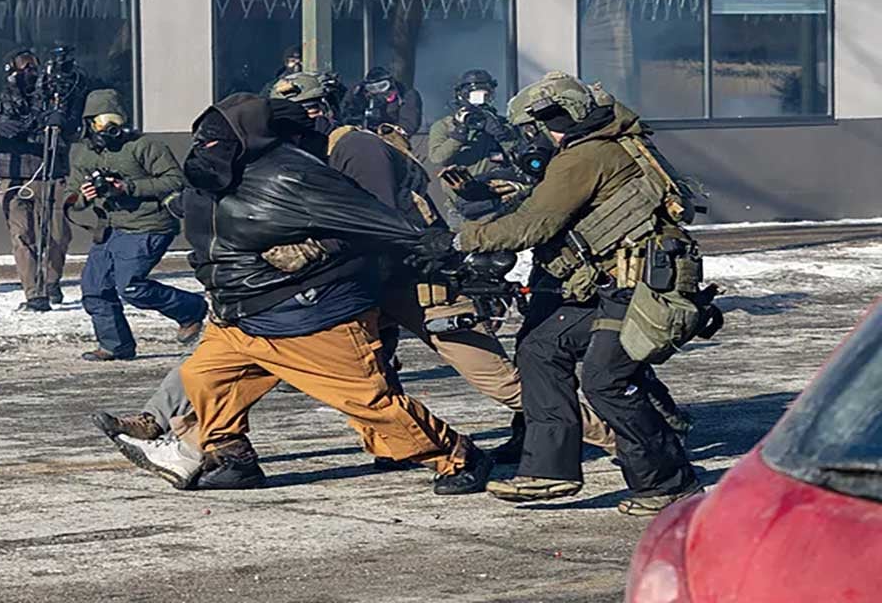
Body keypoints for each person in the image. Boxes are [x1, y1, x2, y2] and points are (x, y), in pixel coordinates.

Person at [93, 72, 616, 479]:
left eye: (306, 109)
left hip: (399, 280)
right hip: (313, 293)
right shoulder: (263, 165)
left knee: (486, 379)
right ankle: (205, 446)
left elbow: (381, 220)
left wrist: (317, 246)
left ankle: (618, 435)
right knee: (221, 365)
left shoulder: (347, 149)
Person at [136, 92, 494, 494]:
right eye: (202, 139)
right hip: (240, 313)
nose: (205, 148)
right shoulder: (209, 178)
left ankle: (458, 456)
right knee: (206, 379)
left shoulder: (292, 174)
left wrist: (437, 247)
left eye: (216, 139)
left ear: (248, 137)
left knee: (368, 403)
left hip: (309, 314)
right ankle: (233, 460)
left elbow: (370, 219)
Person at [455, 71, 703, 515]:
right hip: (618, 284)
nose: (535, 136)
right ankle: (549, 472)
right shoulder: (605, 144)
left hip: (640, 287)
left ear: (562, 118)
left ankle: (670, 484)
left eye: (538, 125)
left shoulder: (584, 156)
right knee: (539, 348)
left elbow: (536, 224)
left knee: (607, 381)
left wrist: (463, 237)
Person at [64, 89, 208, 361]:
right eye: (102, 121)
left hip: (148, 225)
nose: (109, 128)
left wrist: (128, 187)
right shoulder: (84, 155)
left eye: (115, 120)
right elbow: (72, 195)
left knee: (131, 286)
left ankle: (191, 309)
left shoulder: (145, 147)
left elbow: (176, 181)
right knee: (94, 289)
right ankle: (115, 345)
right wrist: (83, 195)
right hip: (111, 228)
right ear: (89, 123)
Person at [0, 48, 83, 312]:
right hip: (12, 177)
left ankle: (51, 281)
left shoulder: (53, 100)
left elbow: (76, 131)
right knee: (22, 236)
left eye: (34, 66)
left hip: (50, 173)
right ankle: (34, 294)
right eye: (24, 66)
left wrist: (62, 122)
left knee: (58, 234)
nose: (30, 72)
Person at [428, 69, 541, 223]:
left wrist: (501, 135)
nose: (480, 101)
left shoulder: (502, 125)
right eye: (473, 95)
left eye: (485, 95)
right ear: (461, 95)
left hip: (498, 201)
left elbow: (522, 159)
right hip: (461, 206)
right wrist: (459, 135)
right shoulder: (444, 126)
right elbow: (437, 158)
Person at [341, 66, 424, 145]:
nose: (378, 91)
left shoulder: (405, 95)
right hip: (361, 135)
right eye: (372, 88)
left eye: (382, 86)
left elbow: (409, 124)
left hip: (393, 137)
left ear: (391, 83)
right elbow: (346, 113)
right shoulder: (358, 94)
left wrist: (389, 131)